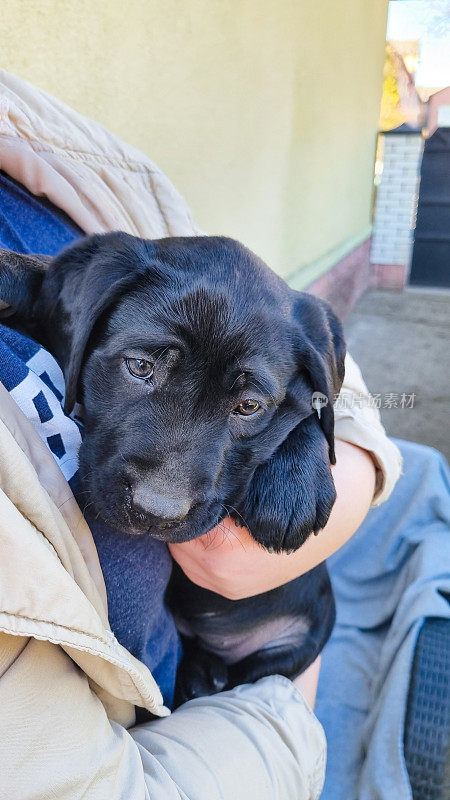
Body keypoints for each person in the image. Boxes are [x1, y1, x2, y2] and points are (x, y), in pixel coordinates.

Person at [0, 71, 402, 800]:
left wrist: (333, 452)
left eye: (246, 404)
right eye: (145, 367)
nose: (162, 492)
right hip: (178, 716)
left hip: (284, 635)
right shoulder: (95, 285)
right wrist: (288, 716)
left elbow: (307, 363)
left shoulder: (58, 150)